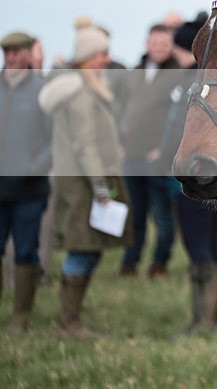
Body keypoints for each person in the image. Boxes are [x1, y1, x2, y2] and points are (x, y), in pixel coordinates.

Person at [38, 26, 132, 339]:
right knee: (81, 250)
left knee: (89, 250)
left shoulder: (91, 86)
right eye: (101, 54)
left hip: (88, 181)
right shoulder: (78, 92)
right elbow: (85, 145)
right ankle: (69, 323)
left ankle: (72, 319)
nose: (106, 59)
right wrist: (101, 188)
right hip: (82, 184)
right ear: (87, 56)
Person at [165, 12, 217, 332]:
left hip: (192, 175)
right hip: (208, 173)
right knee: (213, 246)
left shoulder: (192, 84)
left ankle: (203, 319)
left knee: (198, 247)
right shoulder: (204, 81)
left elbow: (181, 132)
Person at [119, 23, 183, 278]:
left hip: (156, 159)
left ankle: (159, 264)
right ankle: (130, 262)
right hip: (131, 156)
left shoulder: (178, 74)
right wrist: (121, 142)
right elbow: (124, 109)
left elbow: (179, 119)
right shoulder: (136, 71)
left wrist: (164, 151)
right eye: (155, 43)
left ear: (171, 46)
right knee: (135, 214)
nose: (159, 48)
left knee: (161, 216)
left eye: (164, 44)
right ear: (147, 43)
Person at [0, 31, 52, 331]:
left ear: (28, 55)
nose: (10, 58)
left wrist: (34, 167)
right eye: (7, 52)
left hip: (30, 191)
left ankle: (20, 318)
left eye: (16, 52)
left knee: (25, 251)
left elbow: (53, 139)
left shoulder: (42, 90)